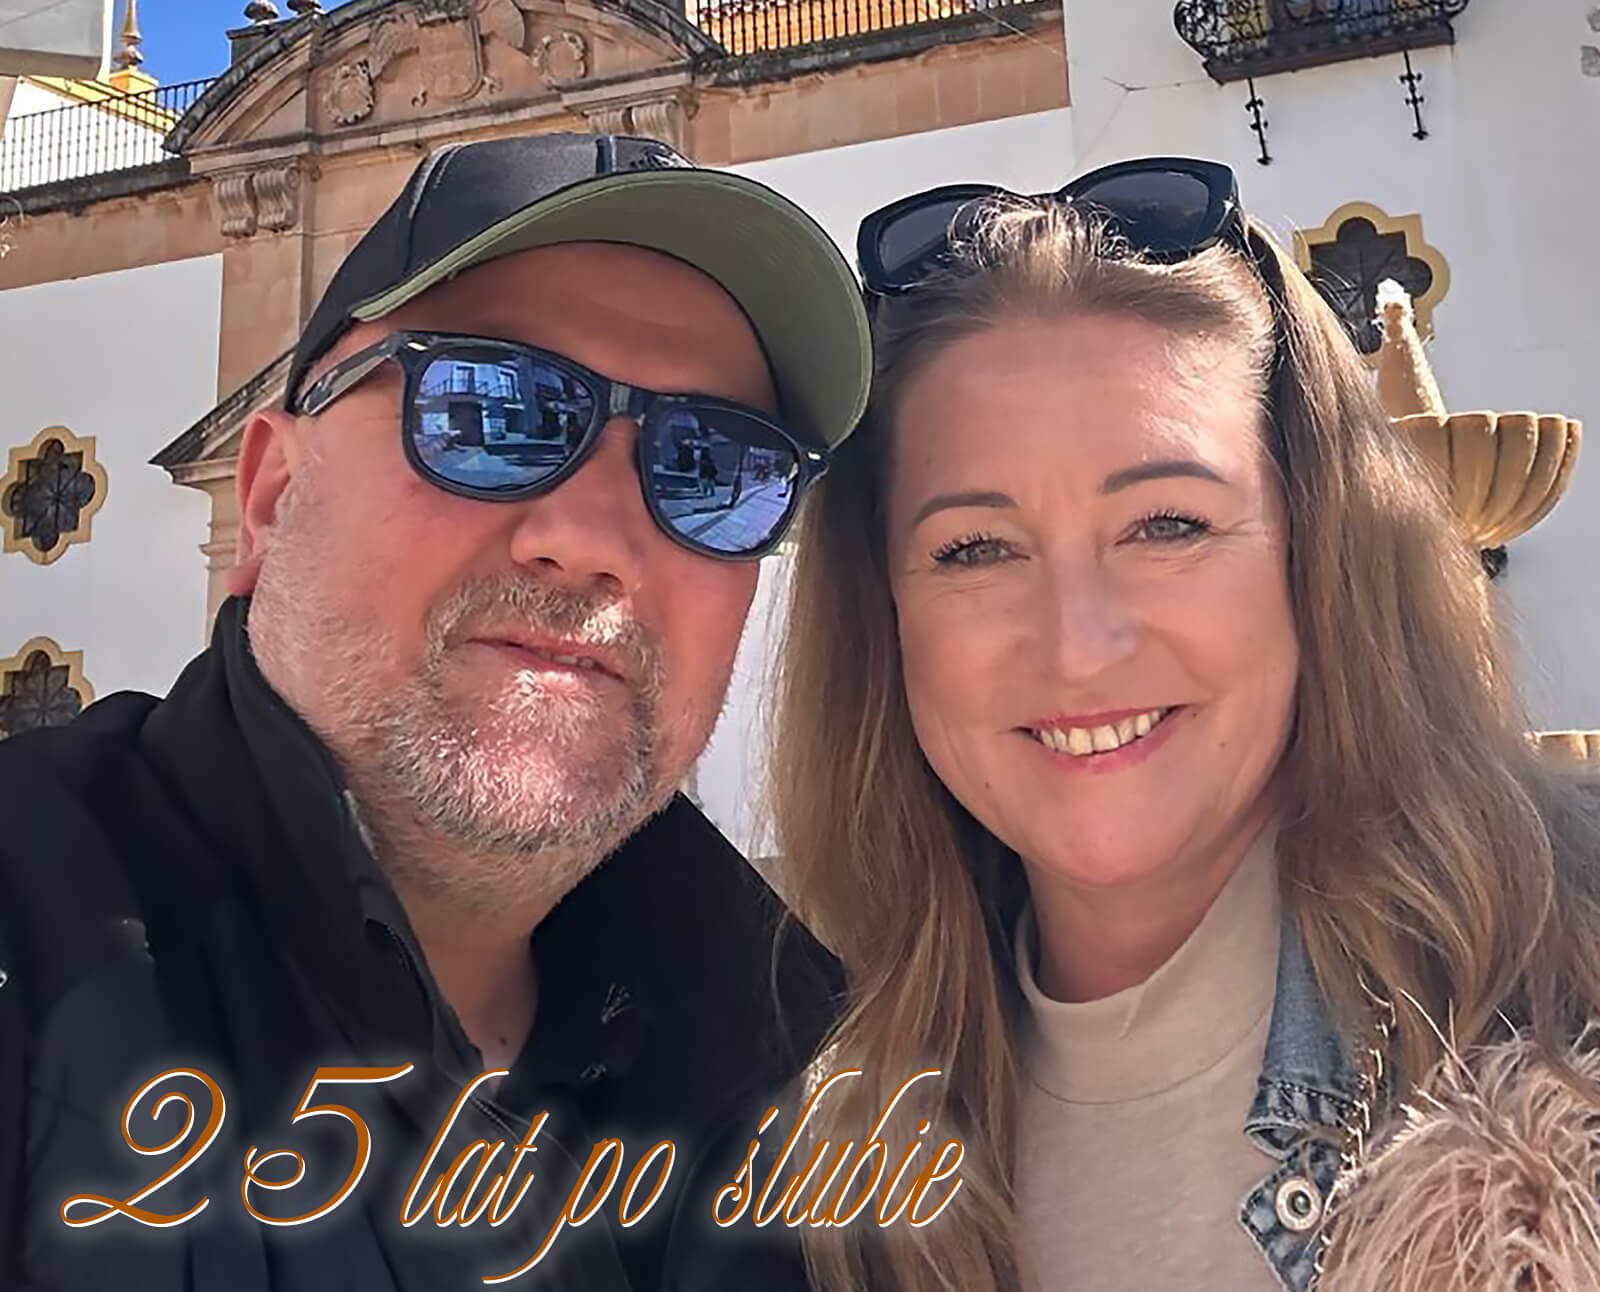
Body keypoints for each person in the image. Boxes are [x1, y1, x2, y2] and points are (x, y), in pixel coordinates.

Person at [0, 132, 870, 1292]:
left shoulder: (821, 1078)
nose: (595, 541)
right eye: (488, 407)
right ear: (269, 495)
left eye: (712, 465)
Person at [765, 159, 1600, 1292]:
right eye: (975, 548)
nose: (1078, 645)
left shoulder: (1568, 998)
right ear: (883, 612)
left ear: (1322, 551)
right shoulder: (833, 1175)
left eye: (1167, 524)